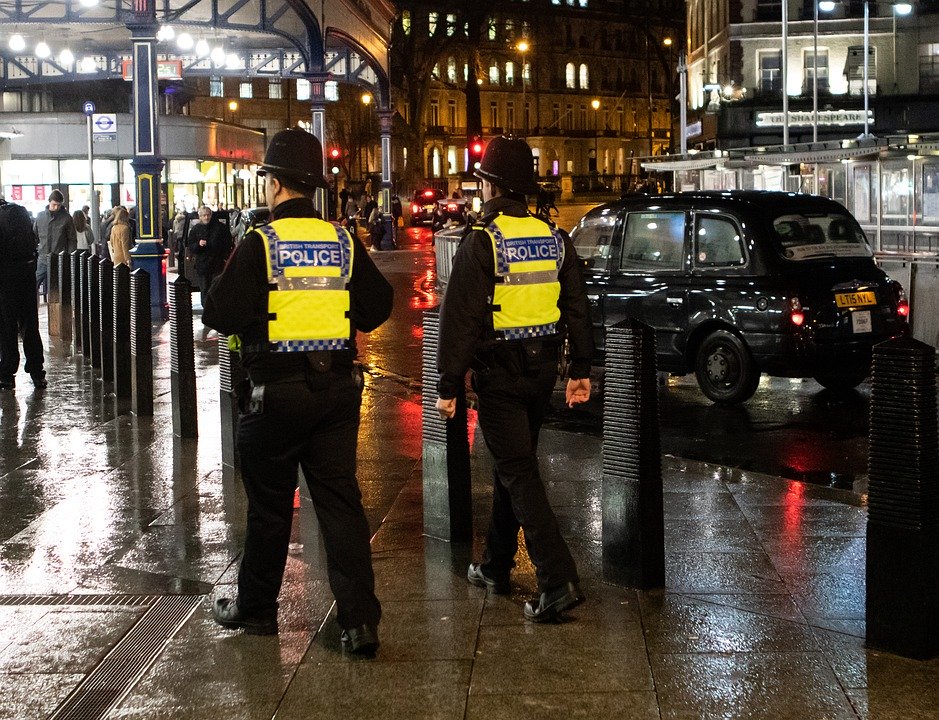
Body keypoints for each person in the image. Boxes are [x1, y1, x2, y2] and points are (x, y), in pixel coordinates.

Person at [203, 129, 393, 655]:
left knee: (269, 506)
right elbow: (379, 305)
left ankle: (259, 609)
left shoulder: (261, 243)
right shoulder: (342, 240)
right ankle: (359, 622)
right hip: (335, 393)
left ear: (276, 184)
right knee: (339, 505)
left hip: (274, 396)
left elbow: (218, 312)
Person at [435, 136, 594, 623]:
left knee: (519, 473)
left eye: (482, 182)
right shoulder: (554, 237)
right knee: (514, 466)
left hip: (499, 375)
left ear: (492, 185)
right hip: (541, 371)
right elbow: (577, 307)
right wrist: (580, 369)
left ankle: (557, 576)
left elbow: (459, 318)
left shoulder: (483, 240)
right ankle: (496, 567)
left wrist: (447, 383)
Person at [0, 197, 47, 389]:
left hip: (5, 278)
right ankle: (37, 372)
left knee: (7, 326)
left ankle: (6, 374)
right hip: (26, 275)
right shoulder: (19, 212)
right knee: (30, 325)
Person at [33, 189, 77, 294]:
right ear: (49, 202)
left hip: (59, 258)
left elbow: (72, 239)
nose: (56, 207)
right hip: (43, 257)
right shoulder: (40, 216)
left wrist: (69, 256)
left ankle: (55, 309)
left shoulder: (66, 218)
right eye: (54, 204)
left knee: (58, 288)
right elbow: (35, 234)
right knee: (35, 283)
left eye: (59, 205)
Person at [186, 206, 231, 305]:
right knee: (205, 288)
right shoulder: (195, 229)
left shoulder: (220, 228)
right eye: (204, 215)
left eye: (208, 215)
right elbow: (191, 246)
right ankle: (207, 308)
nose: (206, 217)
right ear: (200, 217)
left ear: (211, 215)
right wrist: (198, 244)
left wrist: (224, 257)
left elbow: (227, 243)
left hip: (217, 263)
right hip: (203, 264)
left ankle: (214, 308)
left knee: (216, 288)